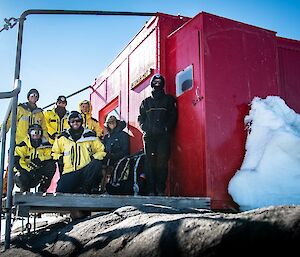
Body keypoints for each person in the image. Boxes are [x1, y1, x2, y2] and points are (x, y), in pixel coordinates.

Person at [138, 74, 178, 196]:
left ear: (162, 84)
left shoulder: (169, 100)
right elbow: (141, 118)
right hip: (149, 137)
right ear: (151, 84)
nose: (157, 83)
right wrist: (146, 129)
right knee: (150, 163)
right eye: (154, 81)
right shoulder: (146, 102)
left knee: (162, 162)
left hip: (163, 137)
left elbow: (173, 116)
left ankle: (160, 190)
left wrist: (166, 128)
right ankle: (150, 190)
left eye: (159, 81)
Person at [52, 111, 106, 194]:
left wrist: (93, 158)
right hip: (69, 171)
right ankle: (76, 189)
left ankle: (86, 189)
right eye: (72, 121)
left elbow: (101, 150)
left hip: (85, 170)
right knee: (60, 190)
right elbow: (54, 152)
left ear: (81, 121)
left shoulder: (89, 135)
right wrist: (59, 157)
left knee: (96, 164)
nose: (75, 123)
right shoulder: (63, 136)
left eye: (78, 121)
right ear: (69, 123)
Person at [13, 124, 56, 193]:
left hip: (36, 174)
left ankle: (42, 190)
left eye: (38, 132)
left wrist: (40, 160)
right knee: (21, 176)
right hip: (24, 173)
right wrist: (29, 170)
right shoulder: (22, 146)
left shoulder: (46, 146)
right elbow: (17, 162)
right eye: (33, 132)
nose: (36, 135)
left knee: (51, 165)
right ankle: (24, 191)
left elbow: (51, 156)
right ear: (29, 134)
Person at [102, 115, 129, 192]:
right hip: (107, 161)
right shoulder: (107, 137)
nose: (111, 124)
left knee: (117, 168)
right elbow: (102, 149)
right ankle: (101, 188)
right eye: (109, 123)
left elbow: (125, 151)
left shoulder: (123, 135)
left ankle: (114, 186)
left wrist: (114, 156)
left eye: (113, 122)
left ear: (116, 123)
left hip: (118, 161)